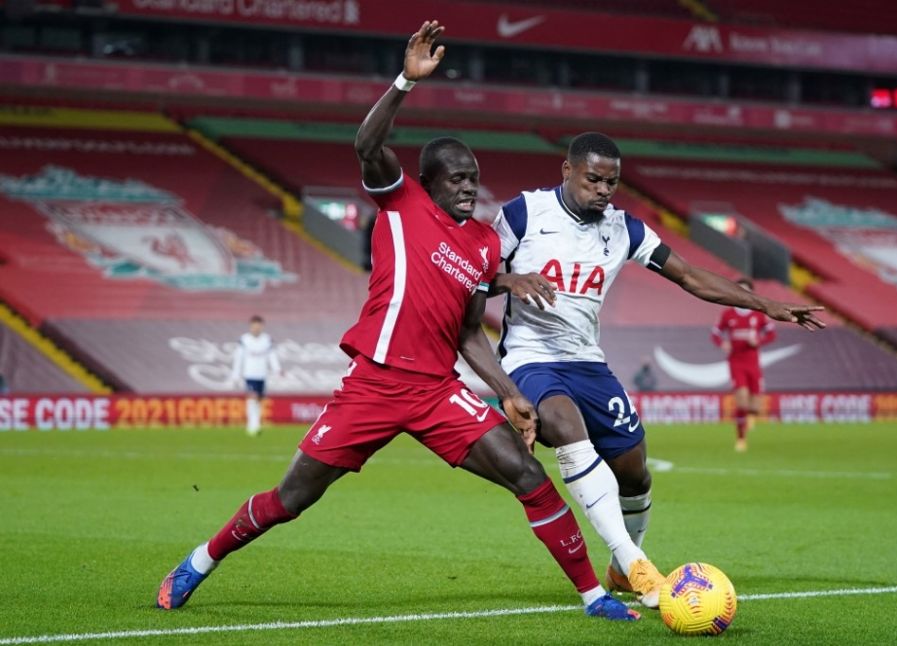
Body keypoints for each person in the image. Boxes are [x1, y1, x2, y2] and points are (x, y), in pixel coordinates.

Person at [156, 22, 638, 622]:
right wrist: (406, 79)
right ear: (430, 180)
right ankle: (201, 559)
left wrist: (512, 395)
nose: (471, 187)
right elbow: (367, 144)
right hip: (375, 384)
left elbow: (468, 333)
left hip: (437, 391)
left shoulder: (486, 244)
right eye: (459, 179)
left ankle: (594, 597)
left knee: (527, 476)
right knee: (292, 498)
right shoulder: (400, 201)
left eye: (475, 178)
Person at [491, 132, 825, 607]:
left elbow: (688, 275)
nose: (603, 190)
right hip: (530, 355)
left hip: (588, 361)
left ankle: (624, 569)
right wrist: (507, 279)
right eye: (593, 179)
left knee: (635, 470)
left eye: (612, 182)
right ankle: (635, 563)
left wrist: (765, 305)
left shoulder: (625, 229)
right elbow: (471, 277)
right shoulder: (523, 214)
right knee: (566, 426)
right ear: (567, 172)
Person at [711, 278, 776, 452]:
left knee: (755, 407)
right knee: (742, 402)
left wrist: (759, 341)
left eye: (745, 290)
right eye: (738, 289)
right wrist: (722, 343)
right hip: (736, 361)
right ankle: (741, 439)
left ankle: (749, 419)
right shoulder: (728, 314)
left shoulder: (758, 314)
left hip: (753, 362)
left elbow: (771, 333)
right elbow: (715, 333)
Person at [232, 315, 282, 436]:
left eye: (258, 326)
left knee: (259, 400)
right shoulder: (244, 340)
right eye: (254, 326)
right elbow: (239, 358)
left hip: (262, 375)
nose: (256, 329)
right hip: (249, 374)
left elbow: (272, 356)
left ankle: (256, 423)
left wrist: (277, 369)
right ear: (250, 327)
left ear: (262, 326)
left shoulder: (267, 339)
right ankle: (252, 426)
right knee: (252, 398)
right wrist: (235, 374)